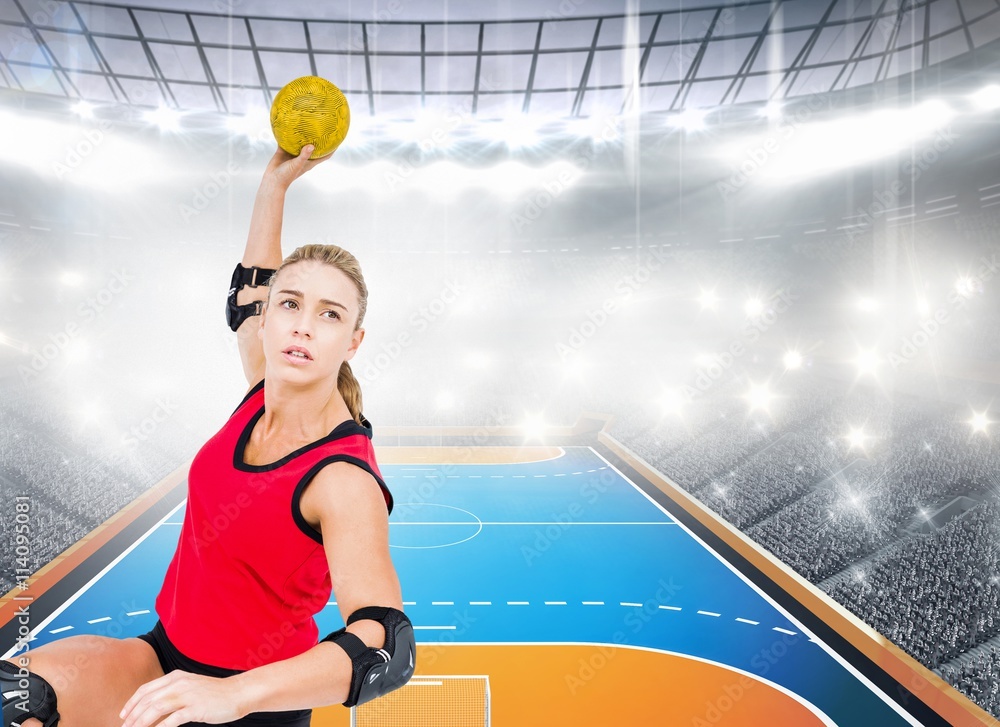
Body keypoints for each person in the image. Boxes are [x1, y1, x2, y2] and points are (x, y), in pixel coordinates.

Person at [1, 144, 415, 727]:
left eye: (330, 314)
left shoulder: (341, 479)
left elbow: (385, 648)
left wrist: (234, 695)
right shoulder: (259, 392)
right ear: (268, 319)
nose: (302, 323)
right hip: (159, 662)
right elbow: (246, 290)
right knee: (18, 698)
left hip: (256, 706)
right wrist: (275, 186)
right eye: (290, 304)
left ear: (353, 341)